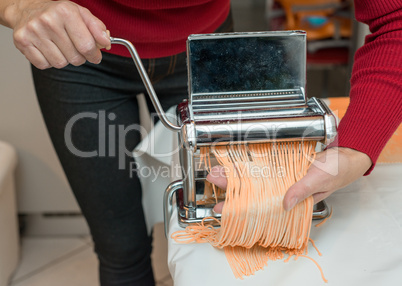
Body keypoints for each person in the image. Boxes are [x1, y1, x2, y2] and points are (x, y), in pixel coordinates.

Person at [0, 0, 400, 285]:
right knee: (121, 248)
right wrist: (20, 6)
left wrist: (355, 146)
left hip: (208, 53)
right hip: (76, 54)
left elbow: (395, 18)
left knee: (215, 225)